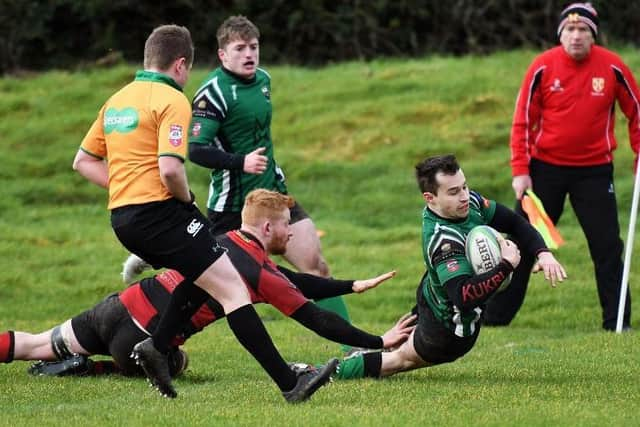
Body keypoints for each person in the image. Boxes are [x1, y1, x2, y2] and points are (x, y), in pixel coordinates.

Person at [71, 24, 336, 402]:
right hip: (160, 214)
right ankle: (290, 385)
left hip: (123, 218)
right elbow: (171, 169)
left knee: (204, 273)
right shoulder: (173, 100)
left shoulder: (117, 100)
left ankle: (157, 347)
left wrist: (127, 189)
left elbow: (83, 161)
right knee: (231, 289)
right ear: (181, 65)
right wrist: (183, 198)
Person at [0, 191, 414, 378]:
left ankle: (75, 359)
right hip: (143, 341)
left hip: (120, 306)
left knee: (34, 343)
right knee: (179, 365)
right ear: (268, 227)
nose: (292, 234)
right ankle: (93, 368)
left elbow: (297, 281)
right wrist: (380, 339)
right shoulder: (257, 271)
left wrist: (351, 285)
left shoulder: (217, 241)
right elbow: (317, 320)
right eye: (288, 226)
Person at [314, 155, 565, 380]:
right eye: (454, 191)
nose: (465, 196)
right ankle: (322, 373)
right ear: (430, 198)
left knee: (400, 341)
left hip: (434, 301)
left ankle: (378, 348)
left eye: (464, 186)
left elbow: (515, 222)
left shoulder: (471, 203)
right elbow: (465, 297)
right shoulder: (443, 241)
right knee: (398, 360)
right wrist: (505, 265)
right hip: (446, 331)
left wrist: (543, 253)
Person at [185, 15, 351, 326]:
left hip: (274, 195)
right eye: (239, 48)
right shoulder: (213, 94)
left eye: (253, 47)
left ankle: (353, 351)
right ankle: (156, 336)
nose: (248, 54)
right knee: (207, 289)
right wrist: (241, 162)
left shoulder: (264, 80)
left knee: (317, 267)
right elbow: (196, 150)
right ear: (223, 54)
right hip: (234, 207)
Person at [483, 3, 638, 330]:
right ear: (560, 34)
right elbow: (522, 121)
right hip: (543, 173)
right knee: (521, 243)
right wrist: (520, 169)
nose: (576, 36)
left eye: (583, 30)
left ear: (593, 35)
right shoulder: (542, 66)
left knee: (607, 248)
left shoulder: (612, 67)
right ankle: (495, 319)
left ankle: (617, 323)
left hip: (595, 173)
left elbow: (636, 113)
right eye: (570, 30)